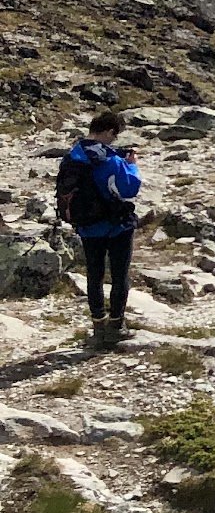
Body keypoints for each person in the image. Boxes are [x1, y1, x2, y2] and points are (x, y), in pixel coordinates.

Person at [58, 111, 142, 345]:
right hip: (116, 226)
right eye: (114, 136)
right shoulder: (109, 160)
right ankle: (116, 325)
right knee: (119, 275)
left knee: (94, 275)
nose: (114, 140)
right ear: (108, 131)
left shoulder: (73, 155)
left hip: (86, 226)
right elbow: (128, 189)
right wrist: (132, 167)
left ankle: (98, 325)